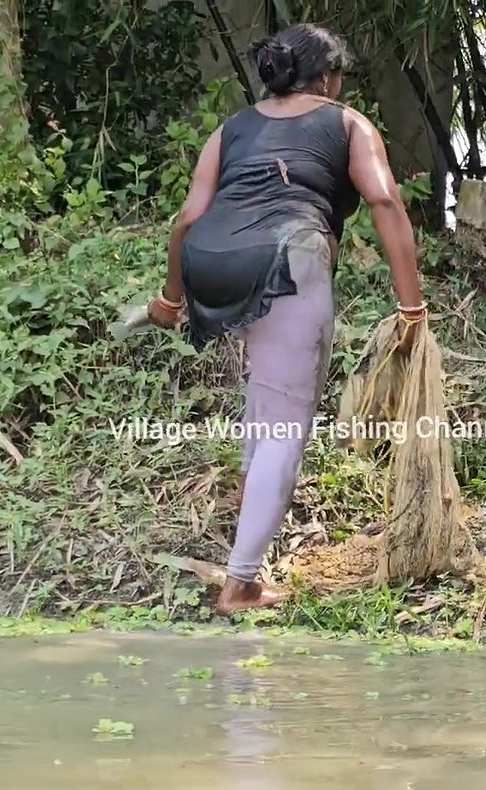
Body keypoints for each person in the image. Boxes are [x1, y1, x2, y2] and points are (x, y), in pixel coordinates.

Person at [144, 23, 427, 613]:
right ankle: (241, 582)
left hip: (213, 262)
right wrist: (412, 306)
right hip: (287, 256)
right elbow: (383, 200)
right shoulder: (347, 123)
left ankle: (246, 536)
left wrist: (170, 299)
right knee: (284, 425)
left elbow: (187, 217)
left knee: (266, 401)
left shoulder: (232, 129)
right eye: (340, 75)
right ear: (325, 77)